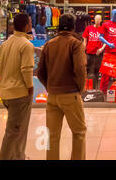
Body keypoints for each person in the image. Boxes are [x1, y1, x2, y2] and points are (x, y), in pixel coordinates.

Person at [37, 14, 87, 160]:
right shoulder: (75, 44)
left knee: (52, 136)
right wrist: (80, 87)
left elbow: (40, 72)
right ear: (73, 27)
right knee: (79, 132)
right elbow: (80, 68)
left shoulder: (49, 44)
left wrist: (49, 87)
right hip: (70, 94)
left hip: (52, 96)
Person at [0, 13, 35, 160]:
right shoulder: (26, 45)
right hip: (19, 93)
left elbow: (0, 66)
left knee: (18, 130)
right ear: (26, 25)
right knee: (14, 132)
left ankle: (19, 156)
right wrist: (30, 87)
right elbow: (26, 69)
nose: (31, 25)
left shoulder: (6, 43)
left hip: (6, 91)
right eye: (30, 22)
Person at [98, 9, 116, 98]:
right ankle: (102, 93)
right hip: (109, 52)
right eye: (115, 14)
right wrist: (108, 44)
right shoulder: (105, 25)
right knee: (105, 74)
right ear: (111, 14)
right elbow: (100, 37)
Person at [82, 14, 105, 90]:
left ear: (101, 20)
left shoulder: (102, 29)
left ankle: (95, 88)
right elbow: (85, 39)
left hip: (98, 54)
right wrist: (83, 49)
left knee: (97, 71)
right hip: (89, 52)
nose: (98, 21)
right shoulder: (89, 28)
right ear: (94, 20)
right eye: (96, 19)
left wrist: (101, 49)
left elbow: (106, 41)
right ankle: (86, 88)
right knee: (87, 70)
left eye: (99, 19)